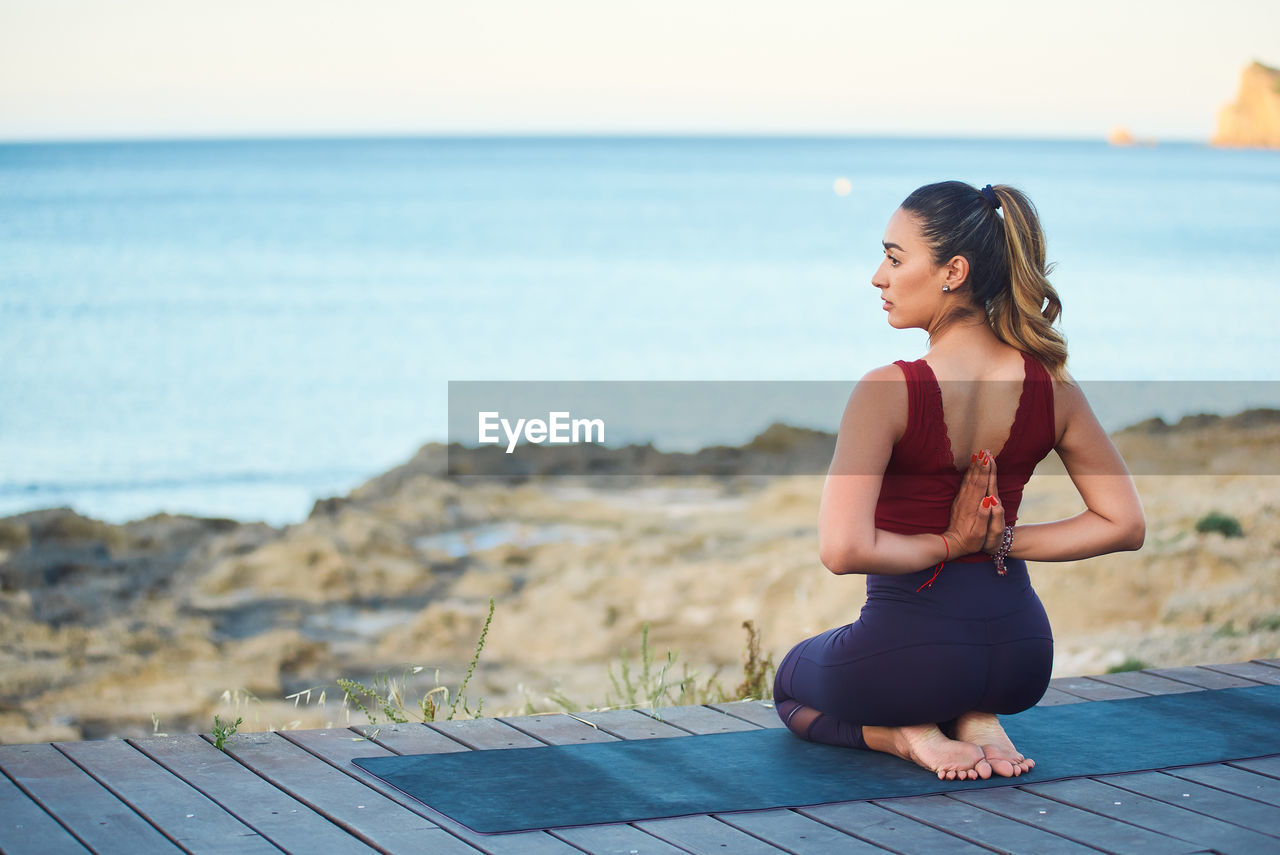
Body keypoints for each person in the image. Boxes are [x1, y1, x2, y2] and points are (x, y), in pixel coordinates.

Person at [773, 180, 1145, 780]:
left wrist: (952, 543)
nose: (878, 277)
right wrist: (1001, 541)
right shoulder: (1052, 385)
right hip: (1022, 658)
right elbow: (1124, 524)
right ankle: (976, 717)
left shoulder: (887, 390)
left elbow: (842, 551)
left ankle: (905, 735)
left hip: (909, 664)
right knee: (951, 669)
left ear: (954, 271)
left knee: (789, 685)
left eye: (895, 259)